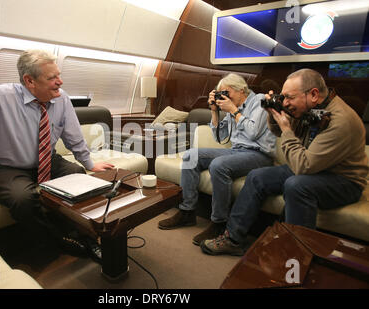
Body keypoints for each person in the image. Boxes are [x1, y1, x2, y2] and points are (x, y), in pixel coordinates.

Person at [0, 49, 114, 261]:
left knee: (78, 175)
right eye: (52, 78)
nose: (60, 82)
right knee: (22, 199)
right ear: (29, 81)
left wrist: (89, 162)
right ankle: (59, 241)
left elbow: (73, 135)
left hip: (47, 160)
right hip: (4, 167)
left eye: (59, 75)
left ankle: (86, 237)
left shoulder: (62, 99)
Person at [200, 68, 368, 256]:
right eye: (283, 97)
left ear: (313, 94)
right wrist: (273, 115)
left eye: (289, 97)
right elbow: (279, 133)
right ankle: (233, 239)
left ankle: (296, 254)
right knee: (257, 177)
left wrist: (287, 128)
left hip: (344, 180)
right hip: (315, 167)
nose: (286, 102)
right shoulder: (310, 108)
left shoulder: (341, 121)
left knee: (296, 185)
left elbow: (303, 166)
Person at [158, 73, 276, 246]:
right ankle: (187, 211)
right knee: (191, 155)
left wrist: (233, 111)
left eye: (226, 93)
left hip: (259, 154)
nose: (224, 97)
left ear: (241, 90)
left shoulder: (259, 102)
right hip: (237, 151)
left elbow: (253, 132)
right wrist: (214, 112)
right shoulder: (233, 106)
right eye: (221, 94)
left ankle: (219, 223)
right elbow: (220, 136)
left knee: (219, 165)